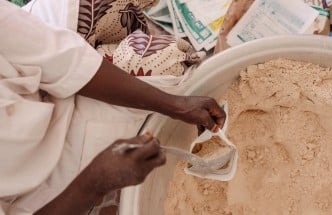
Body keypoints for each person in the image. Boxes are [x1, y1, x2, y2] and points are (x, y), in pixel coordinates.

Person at [0, 1, 226, 214]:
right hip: (34, 192)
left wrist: (173, 105)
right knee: (170, 65)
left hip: (46, 87)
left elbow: (65, 60)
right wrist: (95, 181)